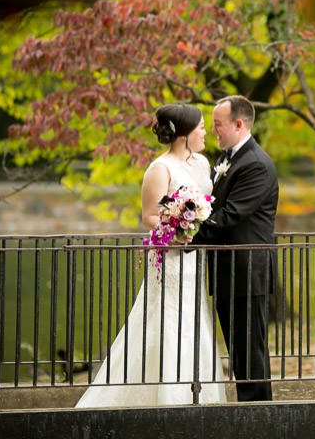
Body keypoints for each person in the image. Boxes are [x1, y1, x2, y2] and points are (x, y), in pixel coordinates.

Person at [76, 104, 227, 407]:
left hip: (193, 260)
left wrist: (196, 225)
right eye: (200, 127)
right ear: (184, 134)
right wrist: (180, 230)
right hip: (170, 258)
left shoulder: (201, 164)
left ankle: (197, 394)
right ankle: (166, 396)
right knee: (167, 321)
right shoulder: (160, 168)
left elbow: (207, 203)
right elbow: (149, 215)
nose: (206, 132)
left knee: (193, 320)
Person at [194, 95, 279, 402]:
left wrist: (187, 237)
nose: (214, 130)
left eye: (218, 124)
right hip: (228, 270)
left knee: (250, 352)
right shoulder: (226, 159)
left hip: (247, 270)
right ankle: (248, 411)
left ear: (239, 124)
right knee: (236, 349)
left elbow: (230, 216)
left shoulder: (255, 164)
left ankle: (258, 414)